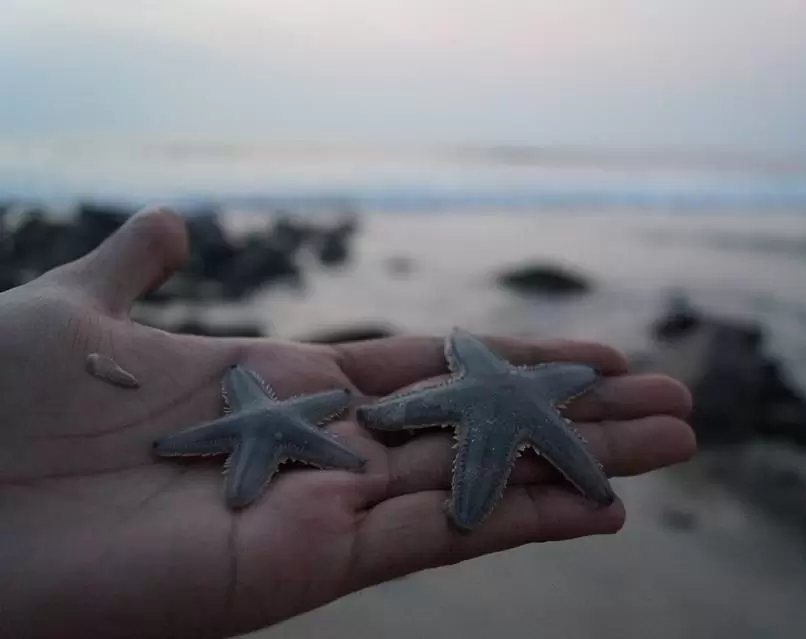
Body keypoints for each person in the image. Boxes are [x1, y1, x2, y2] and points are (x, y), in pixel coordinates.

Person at [0, 207, 696, 639]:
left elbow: (502, 389)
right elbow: (400, 407)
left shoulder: (509, 384)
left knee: (508, 475)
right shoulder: (512, 380)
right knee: (489, 472)